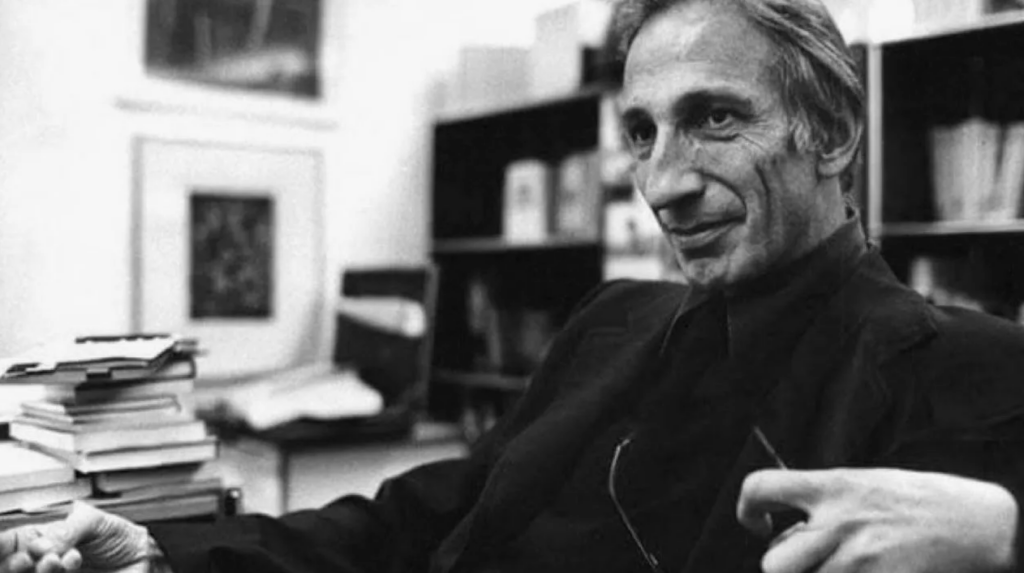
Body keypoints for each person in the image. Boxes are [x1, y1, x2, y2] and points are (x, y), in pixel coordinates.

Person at [6, 0, 1024, 571]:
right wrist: (159, 550)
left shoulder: (974, 369)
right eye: (642, 132)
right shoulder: (613, 321)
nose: (664, 183)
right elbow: (412, 519)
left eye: (714, 118)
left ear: (833, 133)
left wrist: (1009, 540)